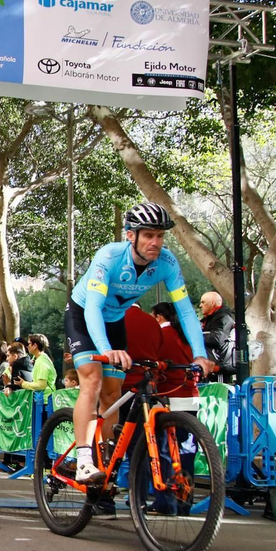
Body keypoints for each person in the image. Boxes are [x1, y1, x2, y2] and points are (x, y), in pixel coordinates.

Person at [66, 202, 215, 485]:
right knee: (92, 381)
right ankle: (83, 460)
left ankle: (103, 459)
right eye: (148, 235)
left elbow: (184, 311)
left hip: (114, 321)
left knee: (112, 395)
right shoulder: (109, 257)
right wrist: (105, 348)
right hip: (83, 316)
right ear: (130, 235)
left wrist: (200, 355)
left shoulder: (167, 263)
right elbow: (93, 307)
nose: (155, 242)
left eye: (160, 236)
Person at [200, 291, 239, 381]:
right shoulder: (211, 318)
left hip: (221, 364)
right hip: (216, 363)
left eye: (203, 302)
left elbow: (217, 339)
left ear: (212, 303)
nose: (200, 305)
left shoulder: (223, 318)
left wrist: (196, 337)